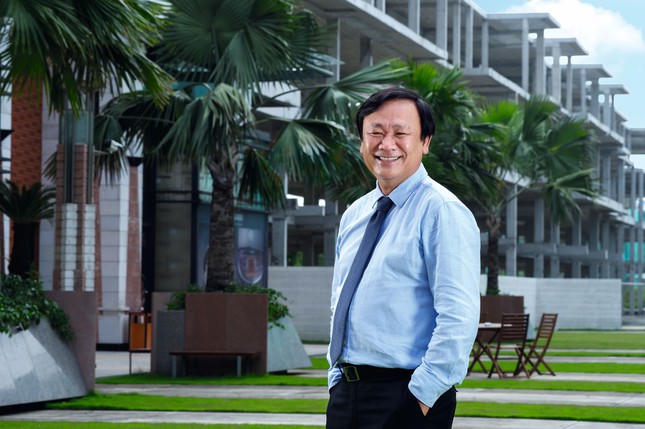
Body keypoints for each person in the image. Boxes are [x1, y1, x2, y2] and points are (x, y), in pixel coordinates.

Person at [326, 87, 480, 429]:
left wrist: (422, 396)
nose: (387, 144)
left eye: (400, 133)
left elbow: (459, 316)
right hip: (347, 395)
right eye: (376, 132)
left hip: (408, 397)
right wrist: (335, 378)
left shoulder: (442, 211)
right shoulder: (355, 214)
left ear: (425, 141)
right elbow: (339, 300)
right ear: (361, 141)